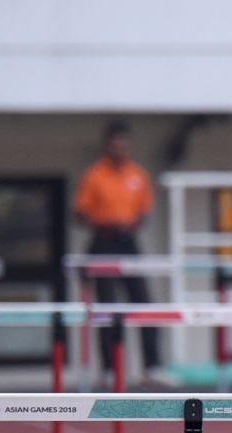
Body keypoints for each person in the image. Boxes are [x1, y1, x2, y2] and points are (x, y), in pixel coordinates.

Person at [74, 120, 165, 386]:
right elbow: (80, 213)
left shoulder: (137, 174)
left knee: (144, 303)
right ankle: (110, 369)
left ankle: (152, 367)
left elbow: (144, 212)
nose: (120, 148)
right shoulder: (94, 175)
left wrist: (130, 224)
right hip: (103, 242)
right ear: (107, 145)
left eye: (124, 144)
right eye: (115, 144)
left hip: (128, 243)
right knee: (107, 307)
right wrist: (109, 222)